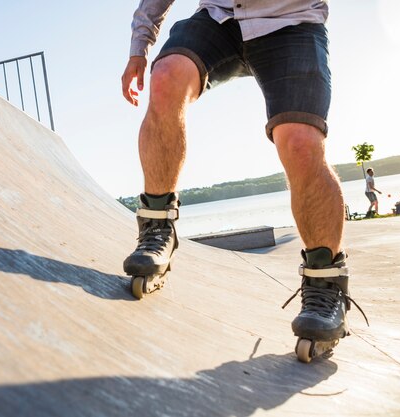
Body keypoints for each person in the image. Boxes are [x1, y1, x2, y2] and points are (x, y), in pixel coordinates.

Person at [120, 0, 366, 362]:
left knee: (300, 141)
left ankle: (325, 284)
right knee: (167, 77)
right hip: (220, 18)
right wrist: (139, 49)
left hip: (292, 22)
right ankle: (157, 227)